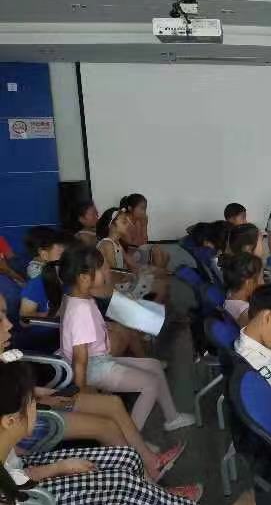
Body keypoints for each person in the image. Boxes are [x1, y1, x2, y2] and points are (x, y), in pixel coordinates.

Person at [0, 360, 256, 505]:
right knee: (121, 486)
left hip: (21, 473)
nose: (38, 408)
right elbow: (13, 490)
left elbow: (16, 471)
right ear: (10, 421)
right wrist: (58, 469)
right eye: (32, 403)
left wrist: (58, 467)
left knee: (127, 457)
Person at [2, 293, 184, 482]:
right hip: (32, 418)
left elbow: (17, 392)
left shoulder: (4, 355)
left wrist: (47, 394)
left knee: (112, 403)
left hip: (34, 403)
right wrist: (43, 400)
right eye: (1, 320)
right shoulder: (77, 306)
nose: (9, 324)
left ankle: (150, 462)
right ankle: (146, 483)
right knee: (108, 427)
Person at [58, 244, 195, 431]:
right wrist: (82, 394)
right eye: (100, 269)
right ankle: (129, 440)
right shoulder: (81, 309)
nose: (106, 271)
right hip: (94, 368)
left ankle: (172, 418)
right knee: (150, 384)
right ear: (83, 278)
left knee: (154, 366)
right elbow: (80, 360)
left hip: (98, 360)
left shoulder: (78, 296)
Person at [96, 207, 166, 303]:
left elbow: (130, 262)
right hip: (115, 287)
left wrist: (149, 269)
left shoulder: (116, 242)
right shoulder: (107, 244)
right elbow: (114, 274)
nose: (128, 224)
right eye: (124, 222)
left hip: (123, 278)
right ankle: (146, 308)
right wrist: (135, 274)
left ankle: (149, 306)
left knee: (160, 275)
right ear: (112, 226)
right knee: (161, 286)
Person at [119, 194, 170, 269]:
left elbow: (145, 240)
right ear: (130, 208)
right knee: (157, 254)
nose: (144, 211)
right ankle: (158, 273)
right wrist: (140, 226)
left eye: (145, 208)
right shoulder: (124, 222)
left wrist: (143, 225)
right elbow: (133, 245)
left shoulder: (143, 218)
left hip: (140, 248)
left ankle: (158, 272)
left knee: (165, 254)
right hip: (128, 252)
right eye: (142, 208)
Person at [221, 253, 263, 326]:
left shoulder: (229, 295)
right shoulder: (247, 313)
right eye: (258, 279)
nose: (261, 283)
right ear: (248, 283)